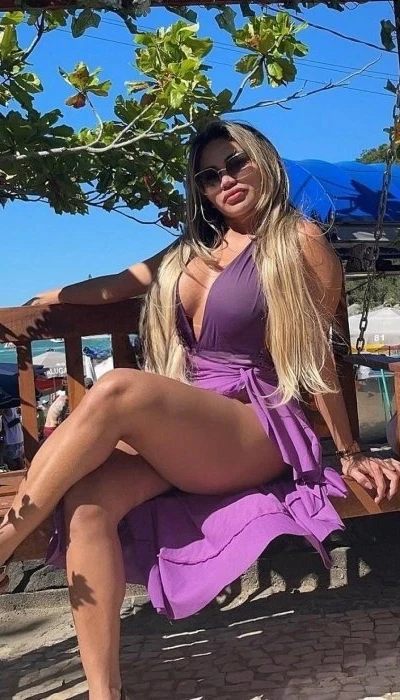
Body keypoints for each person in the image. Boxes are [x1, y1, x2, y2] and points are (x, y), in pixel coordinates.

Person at [1, 120, 400, 700]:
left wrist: (350, 450)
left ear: (263, 161)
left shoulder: (299, 241)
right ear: (202, 191)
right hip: (189, 435)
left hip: (254, 425)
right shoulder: (192, 248)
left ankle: (4, 542)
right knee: (88, 504)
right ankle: (105, 693)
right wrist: (54, 298)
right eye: (210, 176)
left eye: (235, 163)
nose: (225, 180)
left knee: (118, 389)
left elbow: (316, 357)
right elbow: (119, 284)